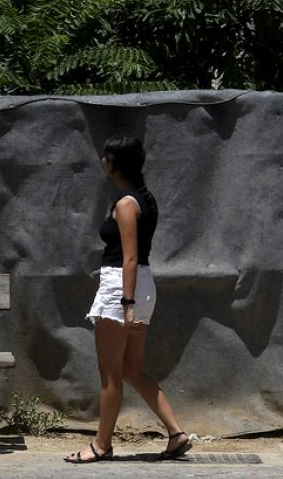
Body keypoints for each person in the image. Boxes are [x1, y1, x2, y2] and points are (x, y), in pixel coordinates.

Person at [65, 135, 191, 464]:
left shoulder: (125, 204)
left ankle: (101, 445)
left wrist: (127, 303)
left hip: (122, 286)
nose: (101, 161)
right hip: (142, 285)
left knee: (110, 373)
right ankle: (176, 433)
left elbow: (129, 258)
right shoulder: (144, 199)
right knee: (133, 370)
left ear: (114, 164)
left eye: (105, 156)